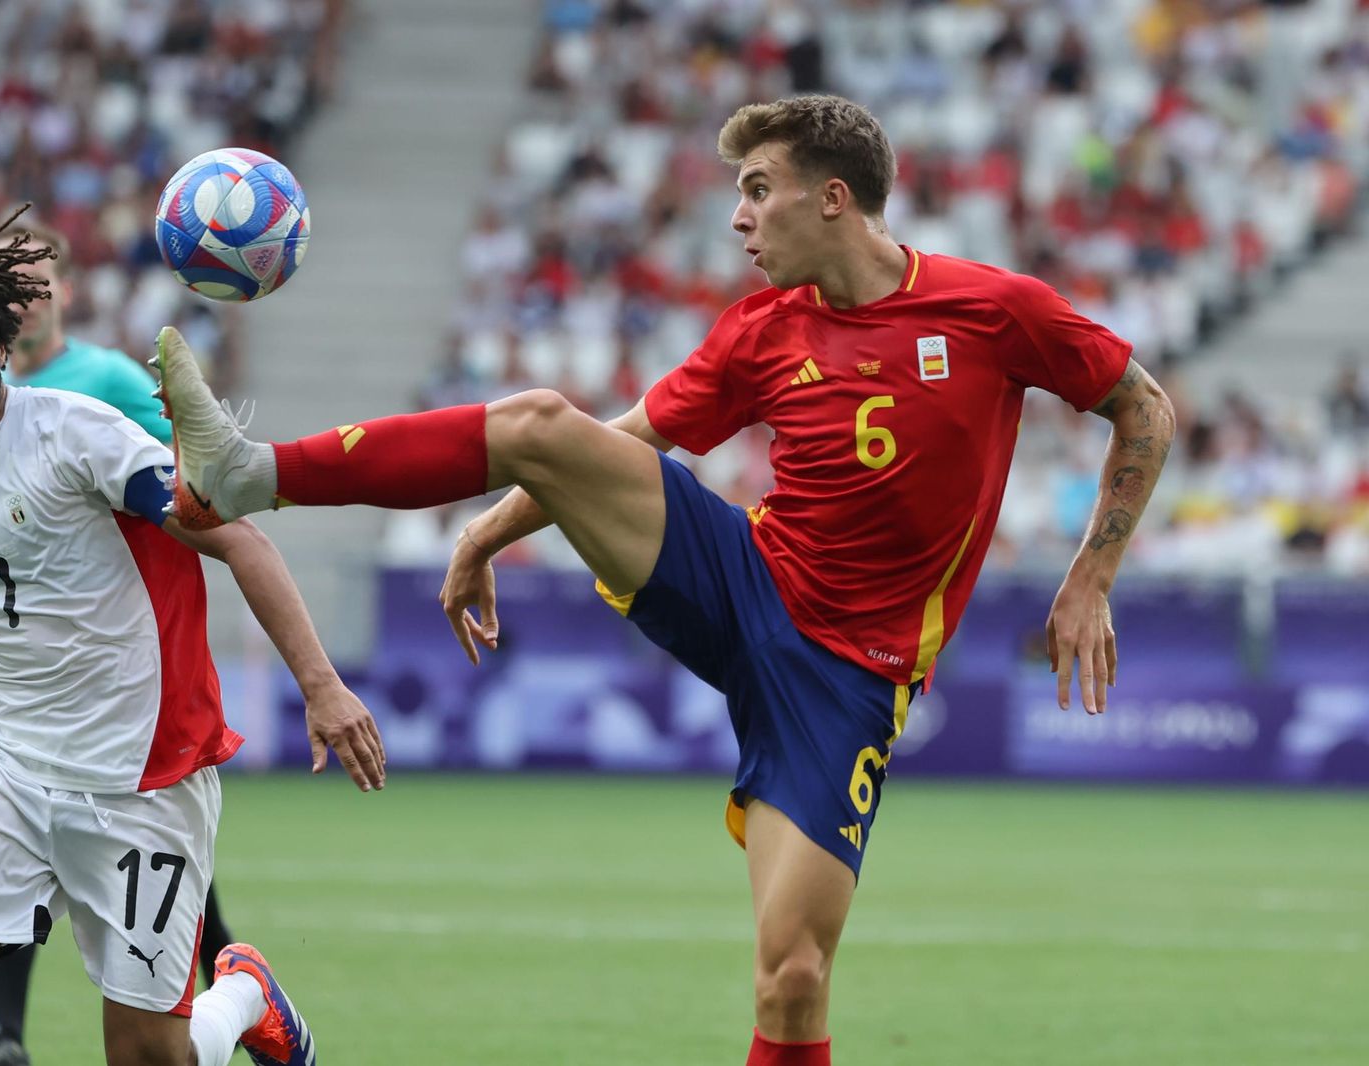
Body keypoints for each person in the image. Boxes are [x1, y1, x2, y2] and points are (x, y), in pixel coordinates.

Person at [153, 94, 1178, 1063]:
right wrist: (490, 532)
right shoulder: (761, 330)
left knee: (793, 977)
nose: (737, 218)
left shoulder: (993, 310)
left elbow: (1145, 409)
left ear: (832, 197)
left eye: (759, 189)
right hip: (742, 579)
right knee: (545, 421)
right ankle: (255, 472)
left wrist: (1090, 576)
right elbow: (625, 438)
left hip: (844, 679)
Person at [0, 207, 384, 1066]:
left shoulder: (75, 434)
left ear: (1, 344)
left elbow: (235, 535)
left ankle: (243, 995)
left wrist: (321, 685)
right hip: (14, 782)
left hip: (144, 786)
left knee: (146, 1058)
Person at [0, 221, 240, 1066]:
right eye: (12, 284)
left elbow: (186, 483)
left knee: (157, 856)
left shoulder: (104, 378)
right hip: (9, 645)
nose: (26, 295)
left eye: (38, 279)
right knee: (14, 817)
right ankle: (7, 1033)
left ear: (64, 291)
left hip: (113, 657)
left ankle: (235, 993)